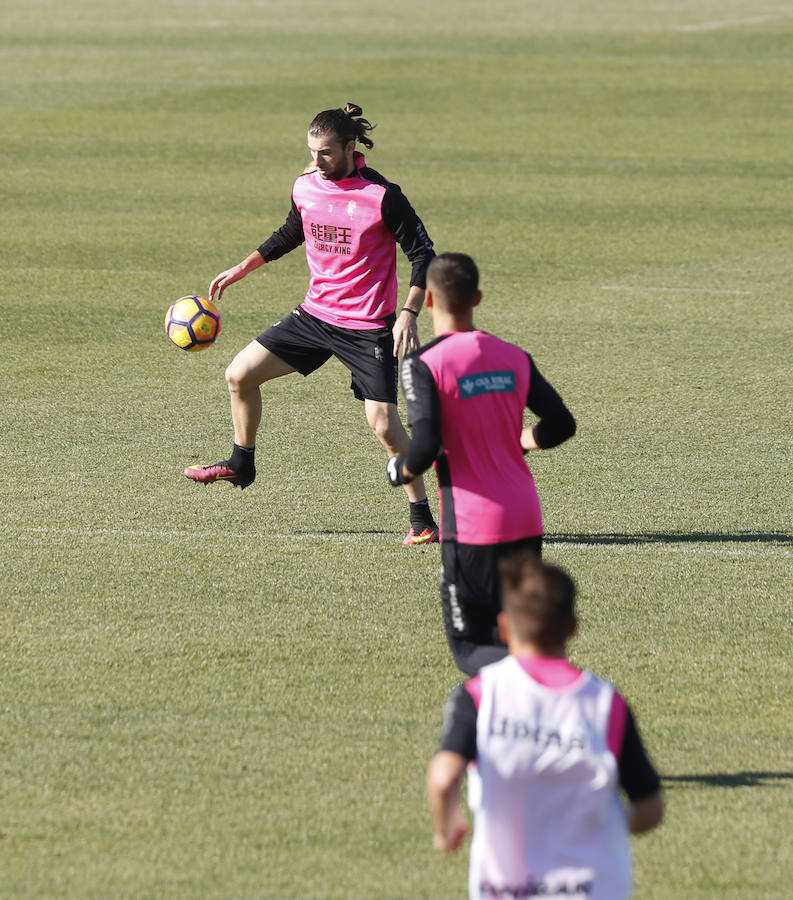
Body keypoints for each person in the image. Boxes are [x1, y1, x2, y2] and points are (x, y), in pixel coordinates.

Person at [184, 103, 439, 545]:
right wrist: (244, 267)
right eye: (310, 152)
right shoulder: (306, 185)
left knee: (383, 425)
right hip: (315, 316)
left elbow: (423, 255)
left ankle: (422, 519)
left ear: (349, 147)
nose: (316, 162)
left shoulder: (383, 196)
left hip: (366, 327)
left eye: (325, 153)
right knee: (239, 375)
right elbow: (292, 229)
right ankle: (241, 463)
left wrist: (409, 314)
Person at [426, 552, 663, 900]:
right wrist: (604, 829)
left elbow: (444, 777)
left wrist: (445, 830)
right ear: (573, 628)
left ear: (504, 626)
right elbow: (650, 809)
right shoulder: (605, 704)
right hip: (594, 889)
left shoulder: (480, 696)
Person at [386, 253, 576, 672]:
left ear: (430, 302)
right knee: (523, 633)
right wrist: (522, 441)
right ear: (478, 298)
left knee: (472, 649)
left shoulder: (424, 364)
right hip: (525, 517)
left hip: (472, 525)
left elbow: (426, 445)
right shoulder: (513, 356)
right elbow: (562, 424)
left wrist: (399, 471)